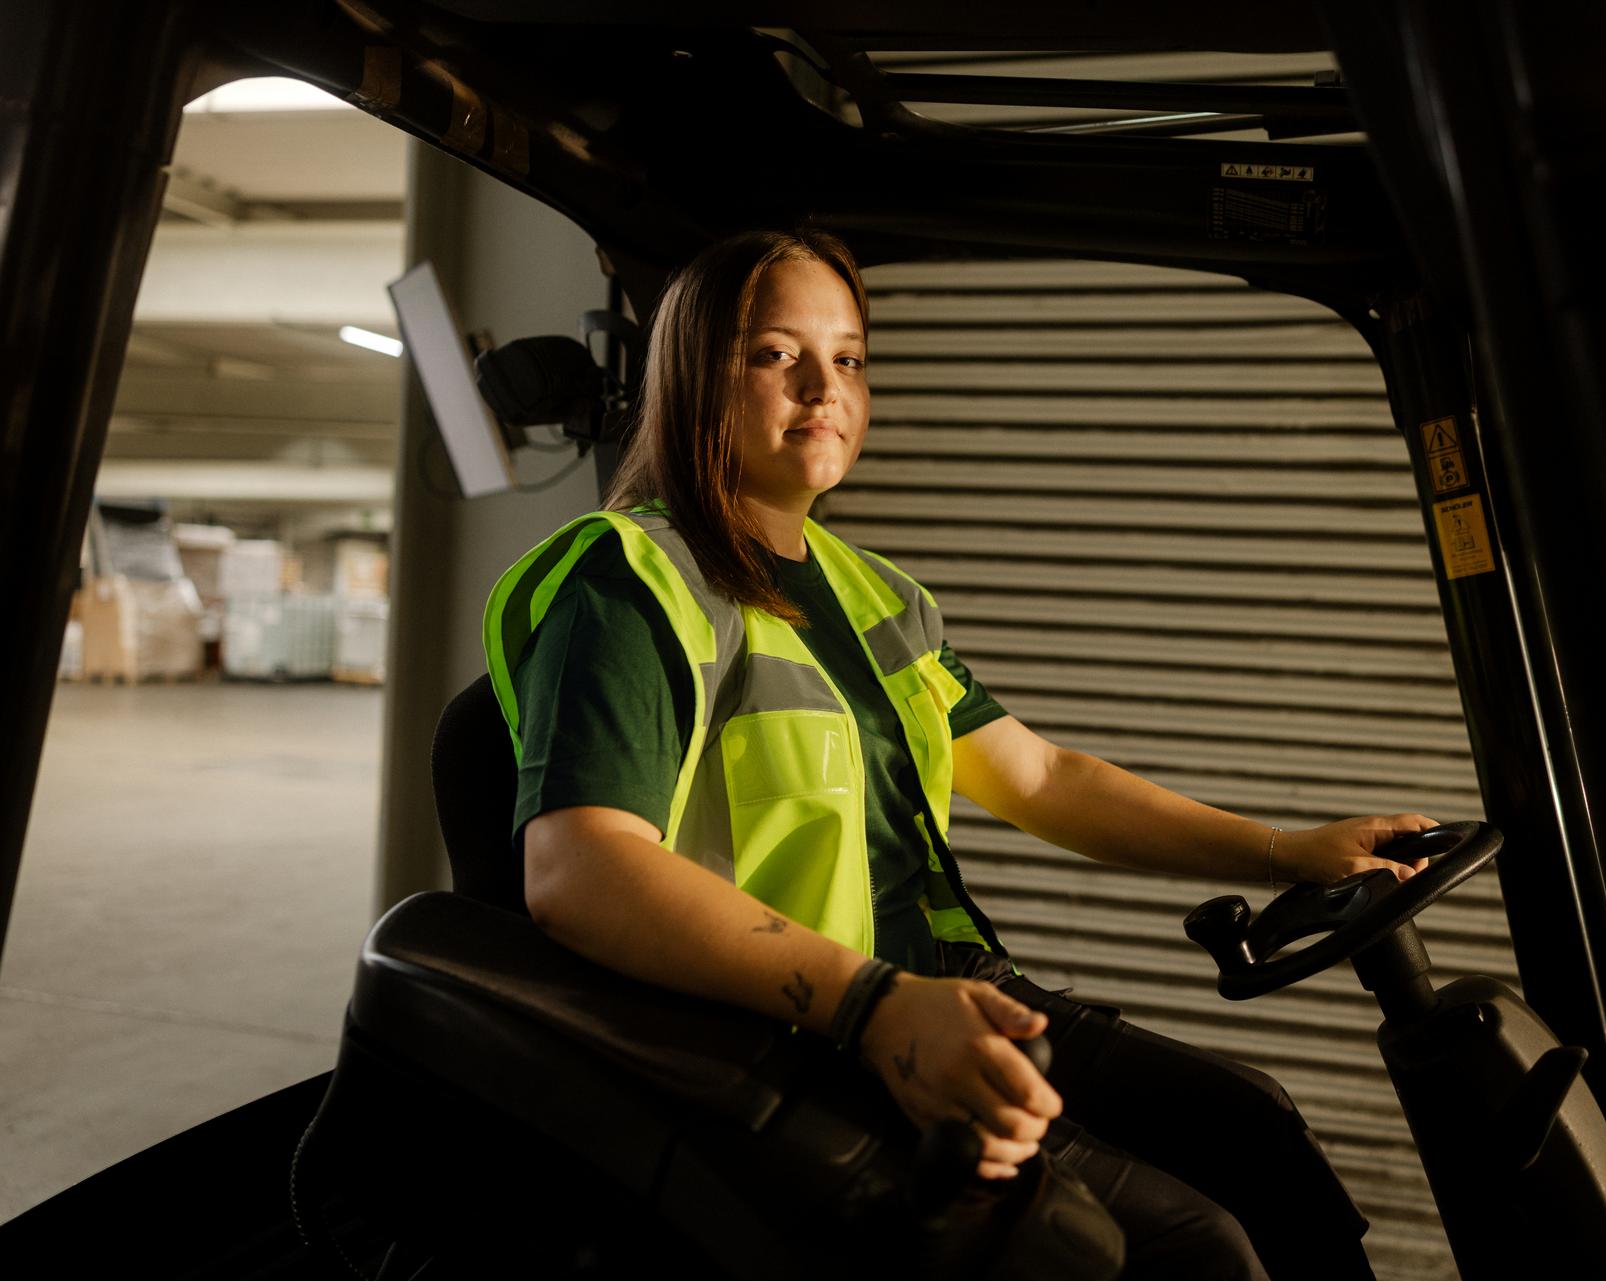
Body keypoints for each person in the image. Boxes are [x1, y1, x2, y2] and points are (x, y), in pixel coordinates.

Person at [482, 228, 1435, 1281]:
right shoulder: (629, 583)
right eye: (775, 354)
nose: (823, 388)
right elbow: (578, 871)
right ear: (693, 374)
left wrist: (1287, 850)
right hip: (793, 1038)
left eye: (848, 357)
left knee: (1255, 1133)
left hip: (939, 993)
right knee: (1193, 1250)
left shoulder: (874, 592)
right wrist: (872, 1006)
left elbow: (1041, 777)